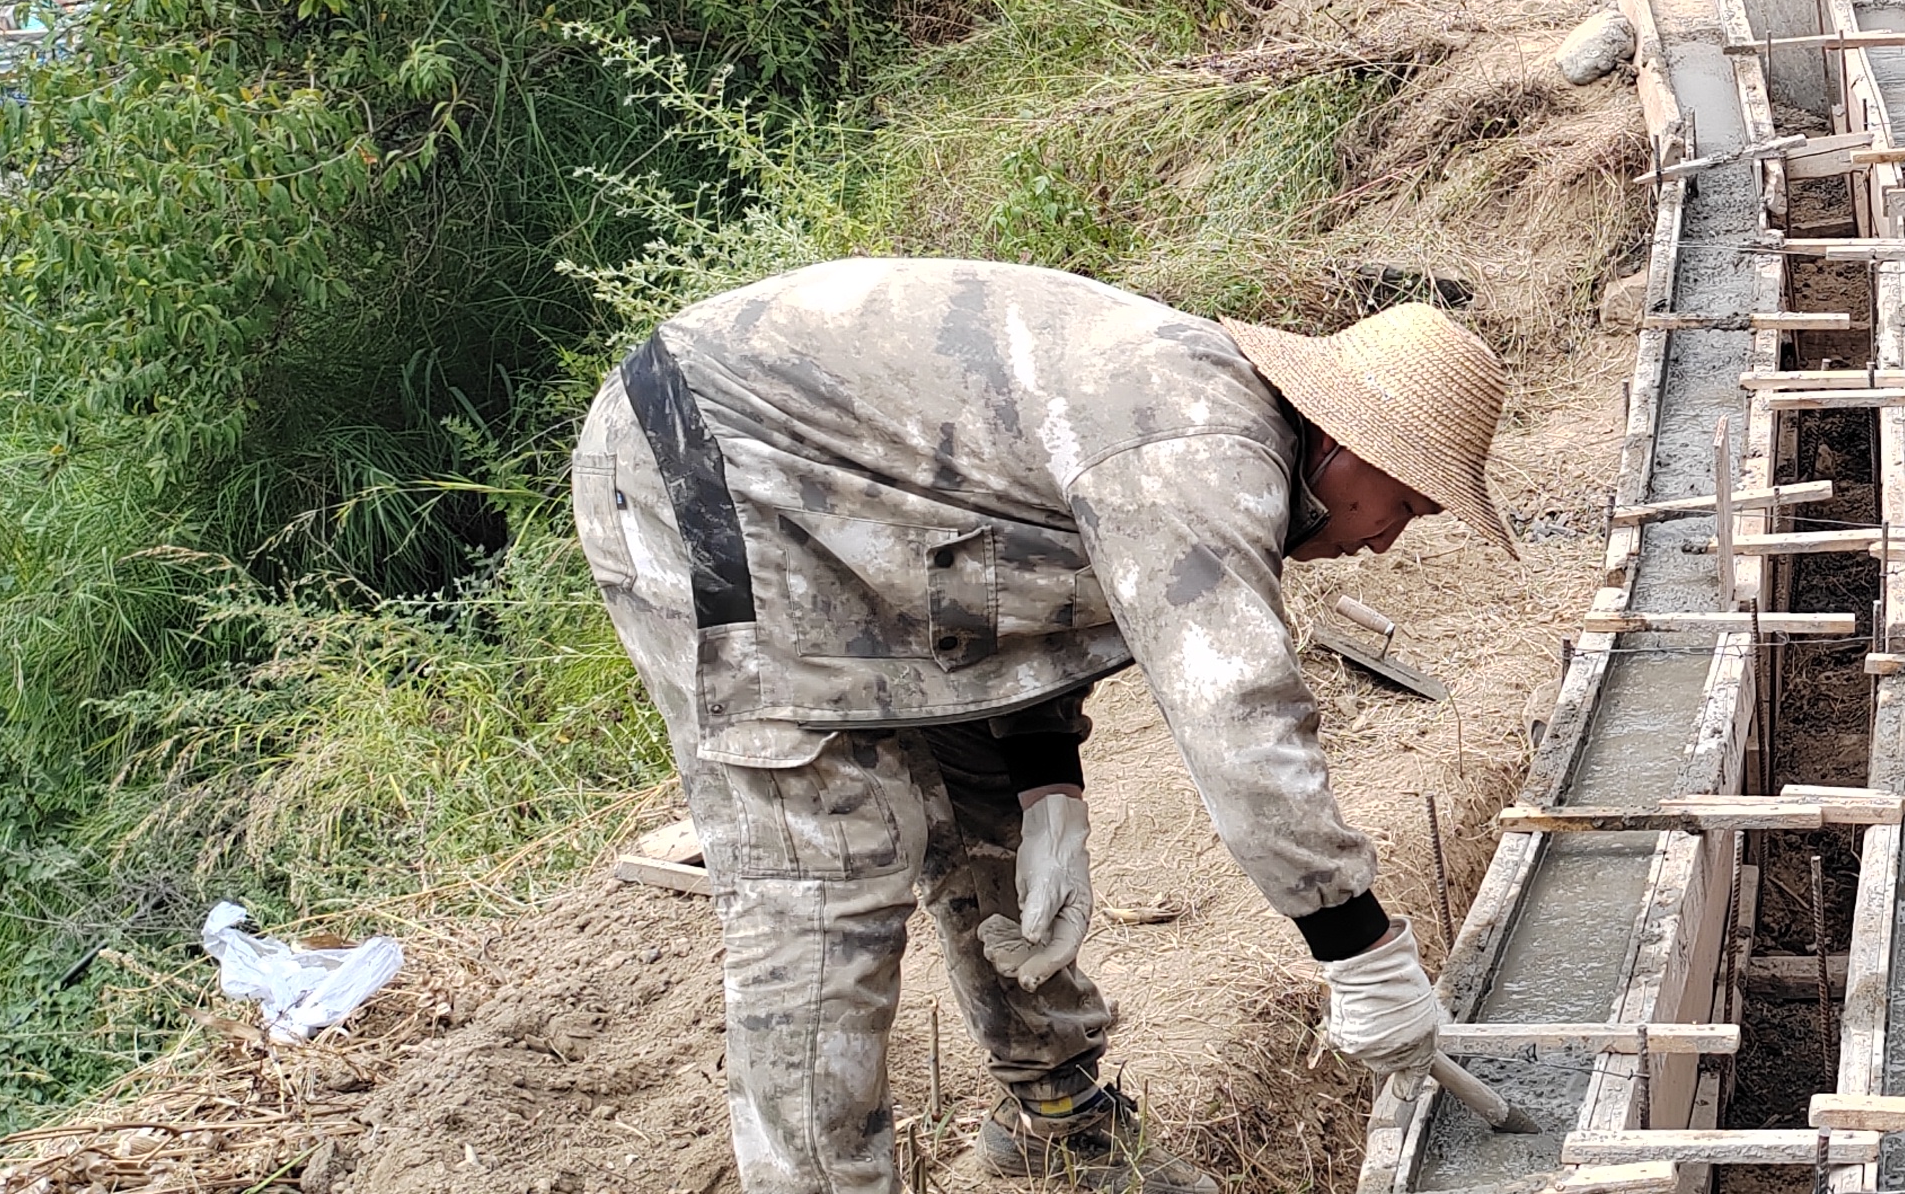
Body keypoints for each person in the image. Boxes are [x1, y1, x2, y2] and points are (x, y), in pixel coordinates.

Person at [573, 258, 1516, 1194]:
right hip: (703, 465)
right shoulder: (1200, 447)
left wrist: (1046, 785)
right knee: (829, 868)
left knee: (992, 810)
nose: (1390, 538)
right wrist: (1356, 945)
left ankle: (1056, 1116)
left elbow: (1017, 586)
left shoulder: (1199, 425)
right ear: (1349, 449)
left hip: (859, 506)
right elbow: (1240, 712)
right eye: (1406, 505)